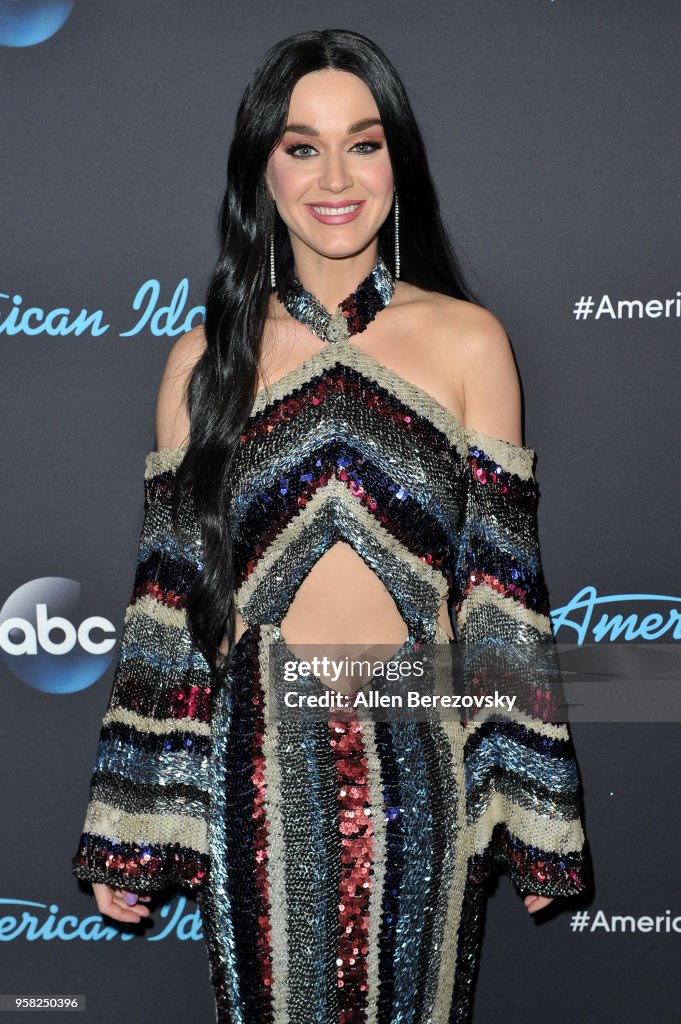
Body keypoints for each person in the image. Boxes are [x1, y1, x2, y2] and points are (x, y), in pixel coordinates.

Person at [72, 27, 592, 1023]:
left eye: (365, 141)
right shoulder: (203, 360)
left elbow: (502, 601)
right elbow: (169, 608)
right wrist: (134, 822)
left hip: (423, 765)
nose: (336, 175)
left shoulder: (469, 340)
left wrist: (536, 815)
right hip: (255, 771)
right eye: (302, 146)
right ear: (262, 168)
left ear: (399, 158)